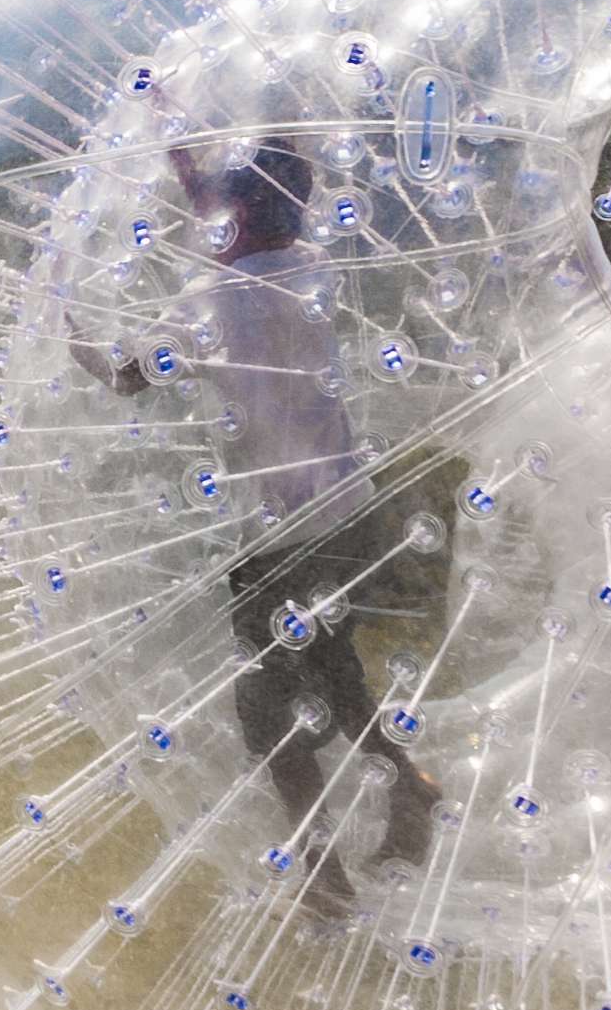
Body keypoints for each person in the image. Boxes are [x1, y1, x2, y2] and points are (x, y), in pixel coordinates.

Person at [97, 138, 444, 916]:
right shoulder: (309, 267)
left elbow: (127, 377)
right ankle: (412, 790)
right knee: (335, 673)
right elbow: (243, 225)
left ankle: (322, 875)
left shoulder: (213, 303)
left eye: (223, 206)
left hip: (279, 532)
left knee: (269, 712)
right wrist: (195, 167)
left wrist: (69, 331)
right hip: (349, 512)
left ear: (242, 214)